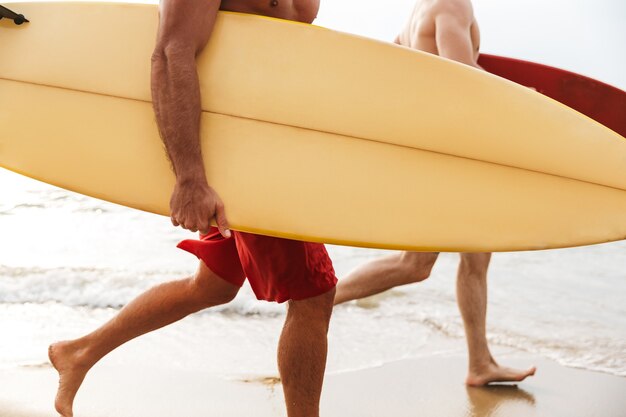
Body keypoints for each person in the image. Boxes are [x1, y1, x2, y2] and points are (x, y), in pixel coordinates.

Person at [48, 1, 337, 416]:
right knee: (314, 293)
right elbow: (170, 53)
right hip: (243, 158)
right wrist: (189, 178)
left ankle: (79, 352)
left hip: (275, 149)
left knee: (213, 285)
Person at [334, 0, 536, 387]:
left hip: (444, 149)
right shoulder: (452, 5)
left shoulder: (420, 10)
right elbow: (463, 79)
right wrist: (524, 96)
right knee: (415, 264)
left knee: (477, 254)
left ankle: (480, 363)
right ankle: (318, 302)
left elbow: (394, 66)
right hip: (442, 152)